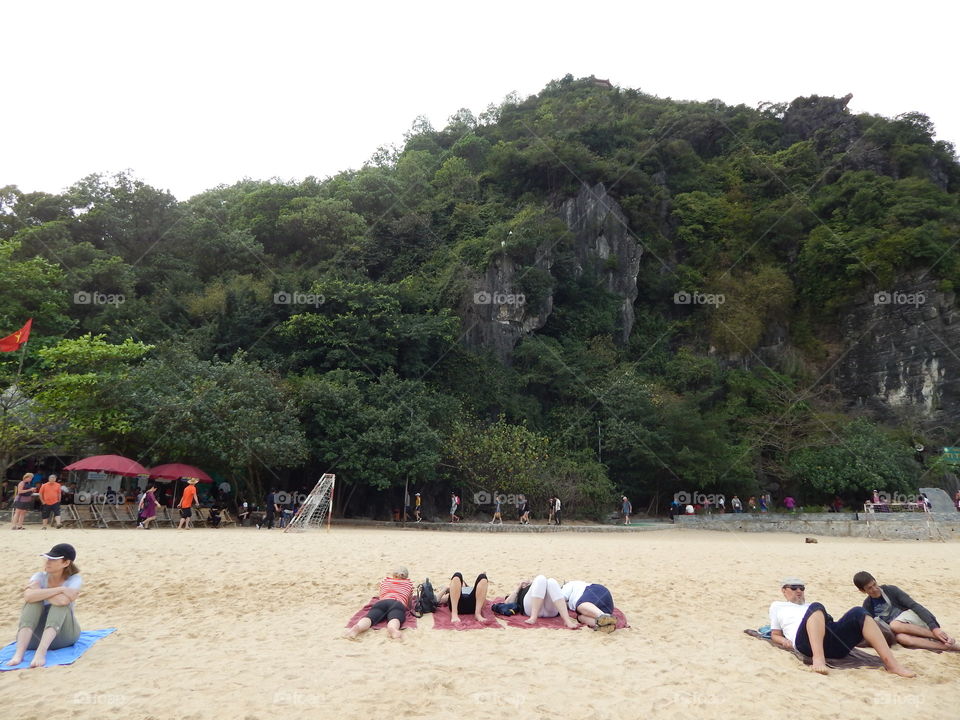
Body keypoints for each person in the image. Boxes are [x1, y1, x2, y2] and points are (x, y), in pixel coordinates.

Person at [769, 577, 914, 677]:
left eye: (802, 588)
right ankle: (818, 659)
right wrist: (783, 641)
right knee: (817, 606)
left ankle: (892, 664)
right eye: (794, 588)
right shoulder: (777, 606)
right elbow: (775, 634)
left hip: (833, 643)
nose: (799, 591)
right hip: (805, 644)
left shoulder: (809, 607)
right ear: (784, 590)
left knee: (858, 612)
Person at [4, 543, 82, 668]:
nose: (48, 562)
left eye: (53, 559)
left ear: (66, 563)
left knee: (59, 606)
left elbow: (62, 602)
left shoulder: (74, 579)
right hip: (33, 640)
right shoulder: (39, 576)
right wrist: (60, 589)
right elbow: (28, 597)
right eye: (48, 558)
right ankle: (19, 653)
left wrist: (39, 592)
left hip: (65, 637)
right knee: (33, 603)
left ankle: (41, 653)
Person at [853, 571, 957, 651]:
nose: (874, 589)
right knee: (901, 639)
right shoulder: (868, 604)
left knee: (895, 625)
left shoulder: (891, 590)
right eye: (869, 588)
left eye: (874, 584)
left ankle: (941, 637)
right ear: (863, 591)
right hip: (901, 630)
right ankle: (945, 647)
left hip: (915, 620)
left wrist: (935, 628)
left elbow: (915, 606)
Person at [344, 566, 413, 640]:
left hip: (382, 602)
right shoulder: (408, 584)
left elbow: (381, 595)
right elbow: (409, 603)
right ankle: (393, 629)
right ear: (406, 577)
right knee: (395, 619)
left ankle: (358, 627)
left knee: (369, 618)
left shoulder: (385, 581)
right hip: (397, 603)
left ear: (393, 574)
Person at [504, 576, 580, 629]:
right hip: (531, 608)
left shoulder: (547, 585)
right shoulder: (525, 589)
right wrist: (519, 587)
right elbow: (507, 602)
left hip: (550, 611)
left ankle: (567, 621)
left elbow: (561, 599)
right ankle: (533, 617)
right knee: (541, 578)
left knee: (551, 581)